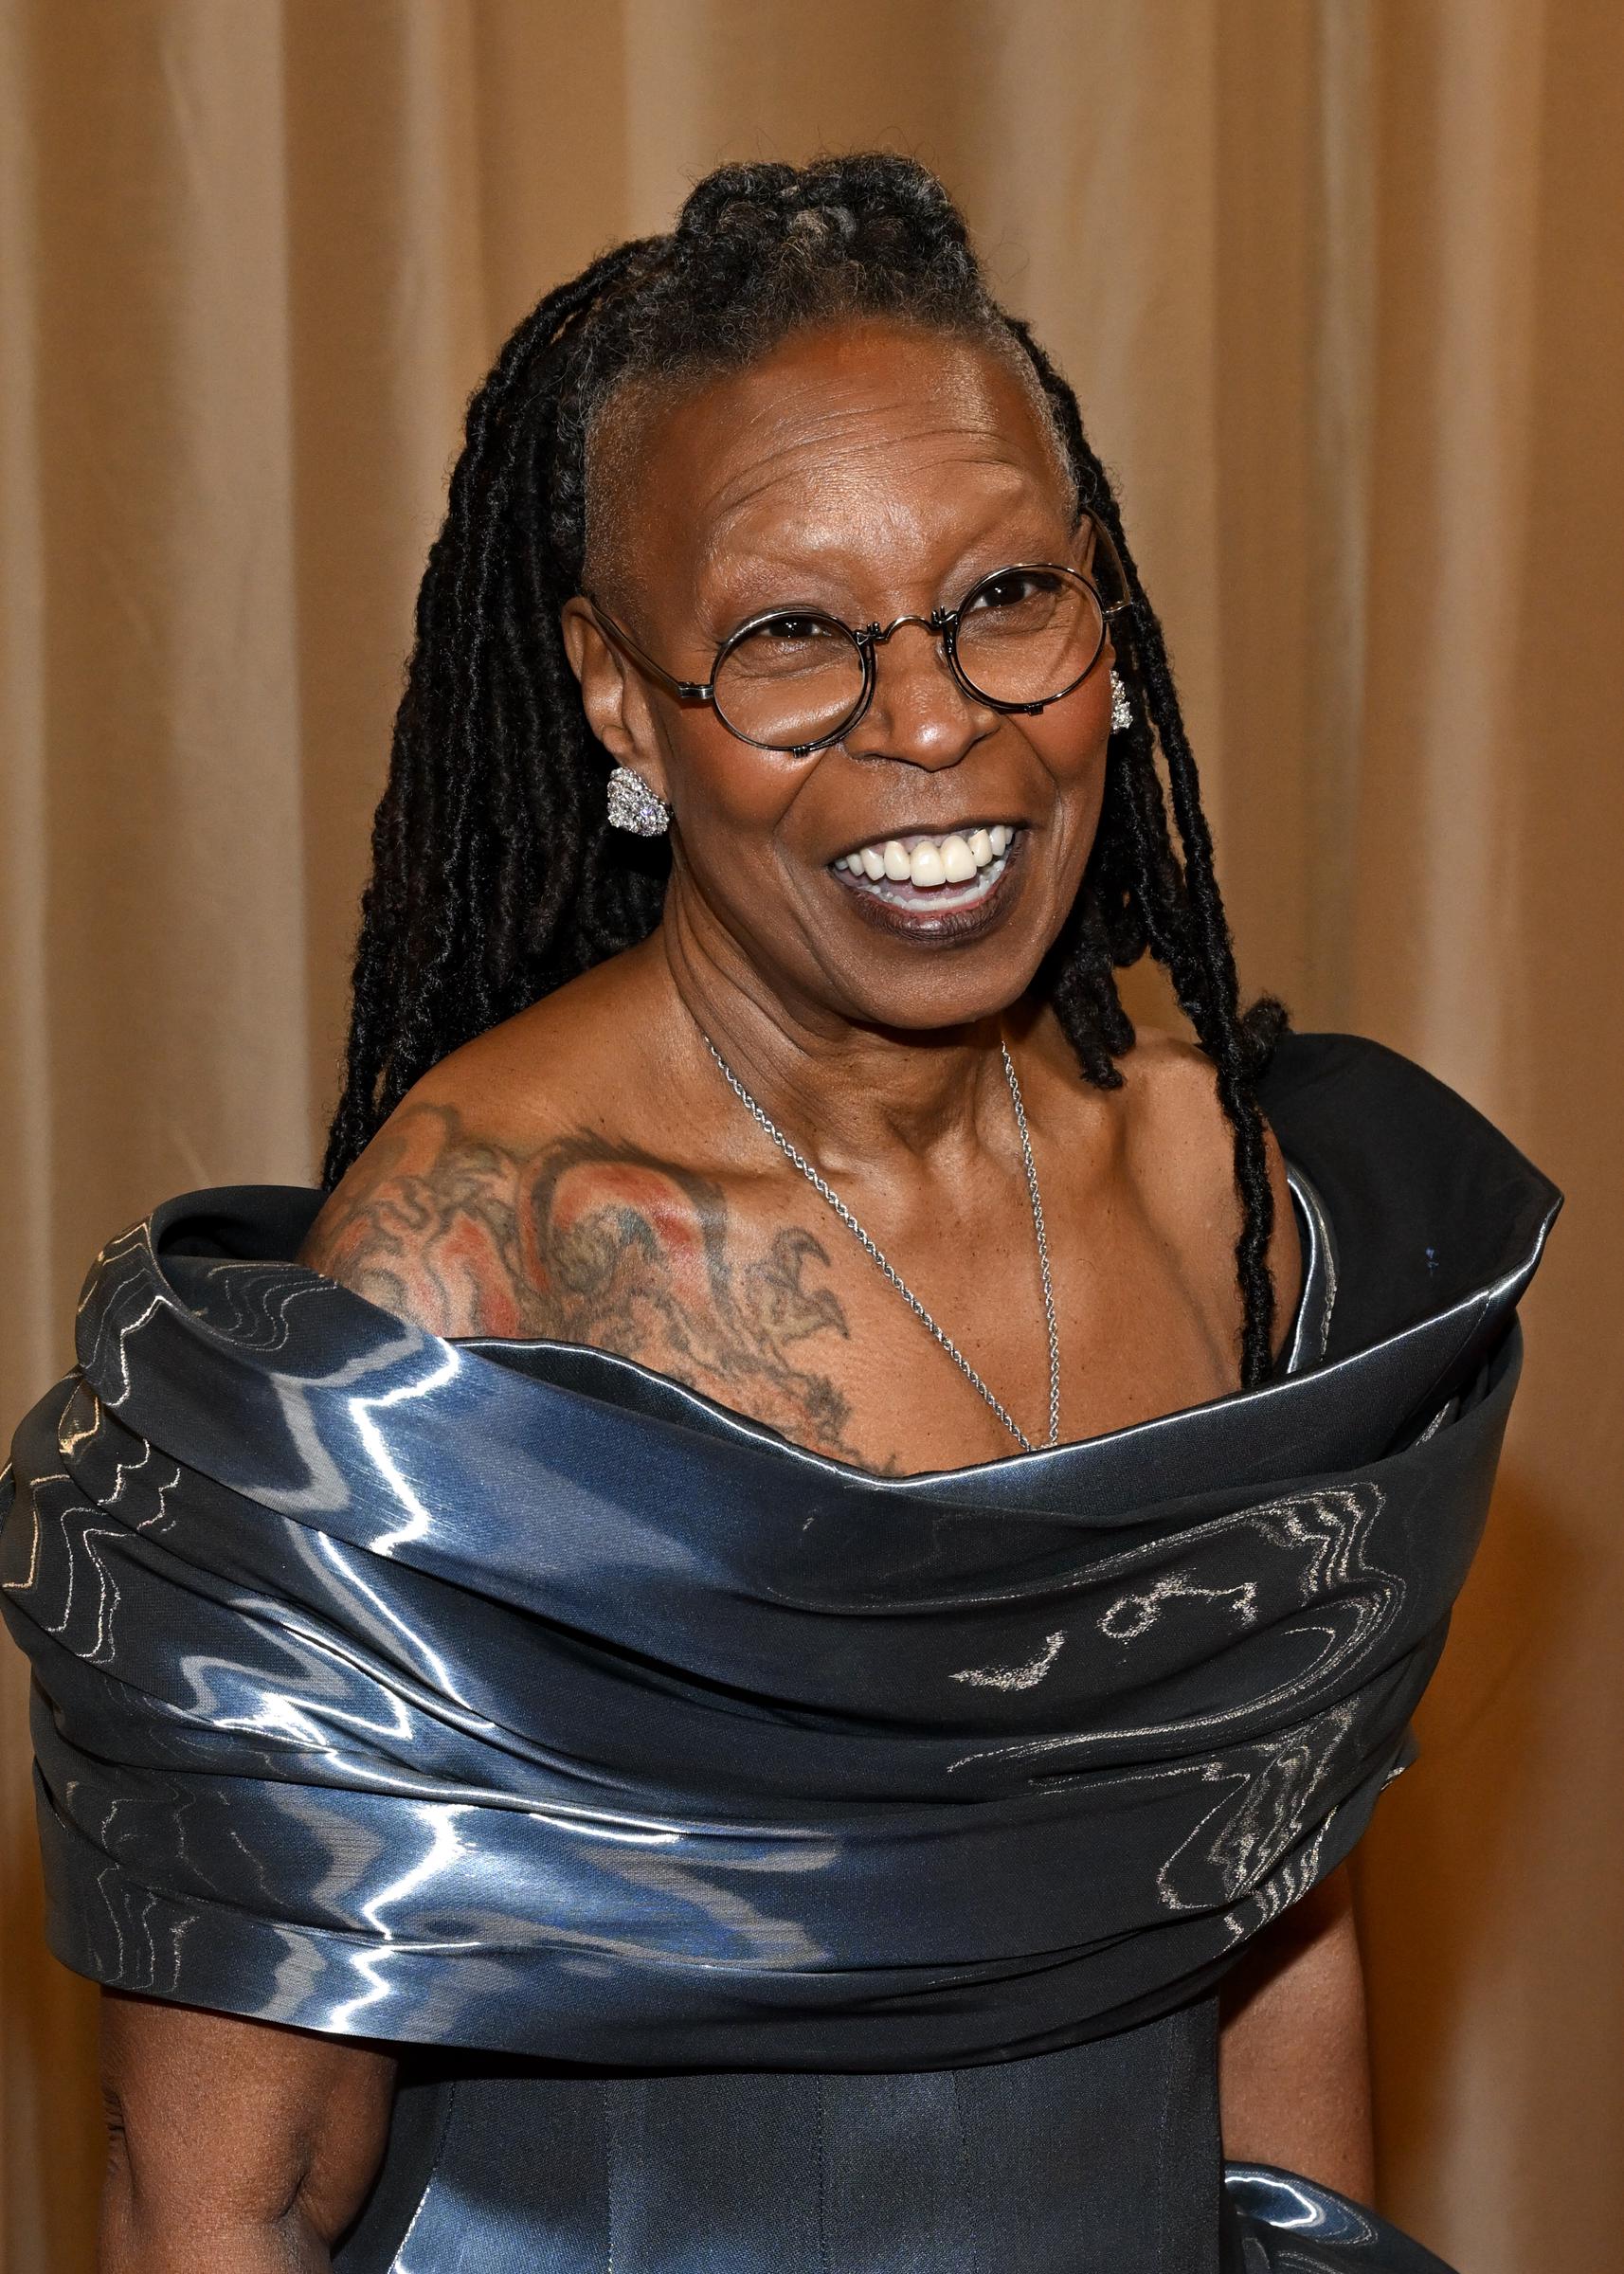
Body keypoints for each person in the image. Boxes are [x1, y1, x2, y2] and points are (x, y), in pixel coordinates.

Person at [2, 155, 1559, 2273]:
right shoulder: (461, 1287)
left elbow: (1275, 1935)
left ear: (1097, 602)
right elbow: (228, 2195)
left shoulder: (1227, 1197)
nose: (930, 724)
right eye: (788, 639)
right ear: (618, 695)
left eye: (1003, 597)